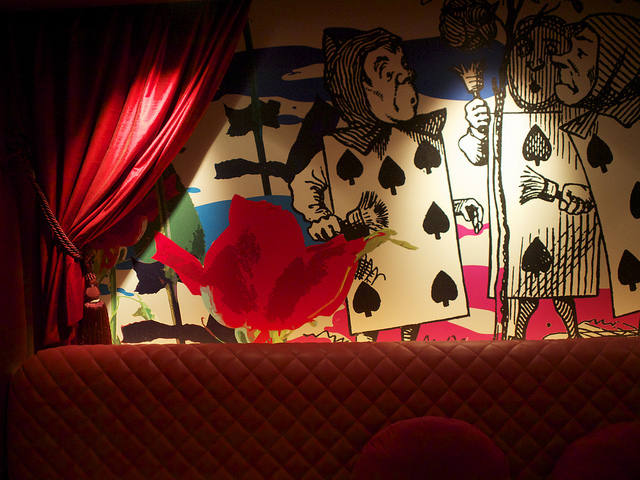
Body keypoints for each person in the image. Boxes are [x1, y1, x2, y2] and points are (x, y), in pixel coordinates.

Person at [289, 28, 483, 341]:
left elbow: (423, 200)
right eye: (387, 73)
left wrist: (459, 207)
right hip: (371, 256)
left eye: (402, 67)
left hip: (417, 257)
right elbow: (304, 184)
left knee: (414, 309)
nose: (405, 75)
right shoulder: (339, 148)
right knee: (373, 322)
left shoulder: (419, 139)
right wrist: (320, 216)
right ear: (358, 88)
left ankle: (407, 354)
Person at [460, 15, 599, 339]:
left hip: (566, 223)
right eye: (526, 53)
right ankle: (515, 338)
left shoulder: (577, 117)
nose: (536, 65)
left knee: (563, 283)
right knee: (522, 286)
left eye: (548, 53)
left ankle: (572, 337)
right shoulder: (502, 114)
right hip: (519, 222)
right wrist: (476, 130)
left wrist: (561, 191)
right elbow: (477, 156)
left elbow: (595, 176)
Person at [553, 13, 640, 319]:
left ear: (616, 63)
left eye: (580, 53)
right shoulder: (585, 130)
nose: (561, 60)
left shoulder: (626, 128)